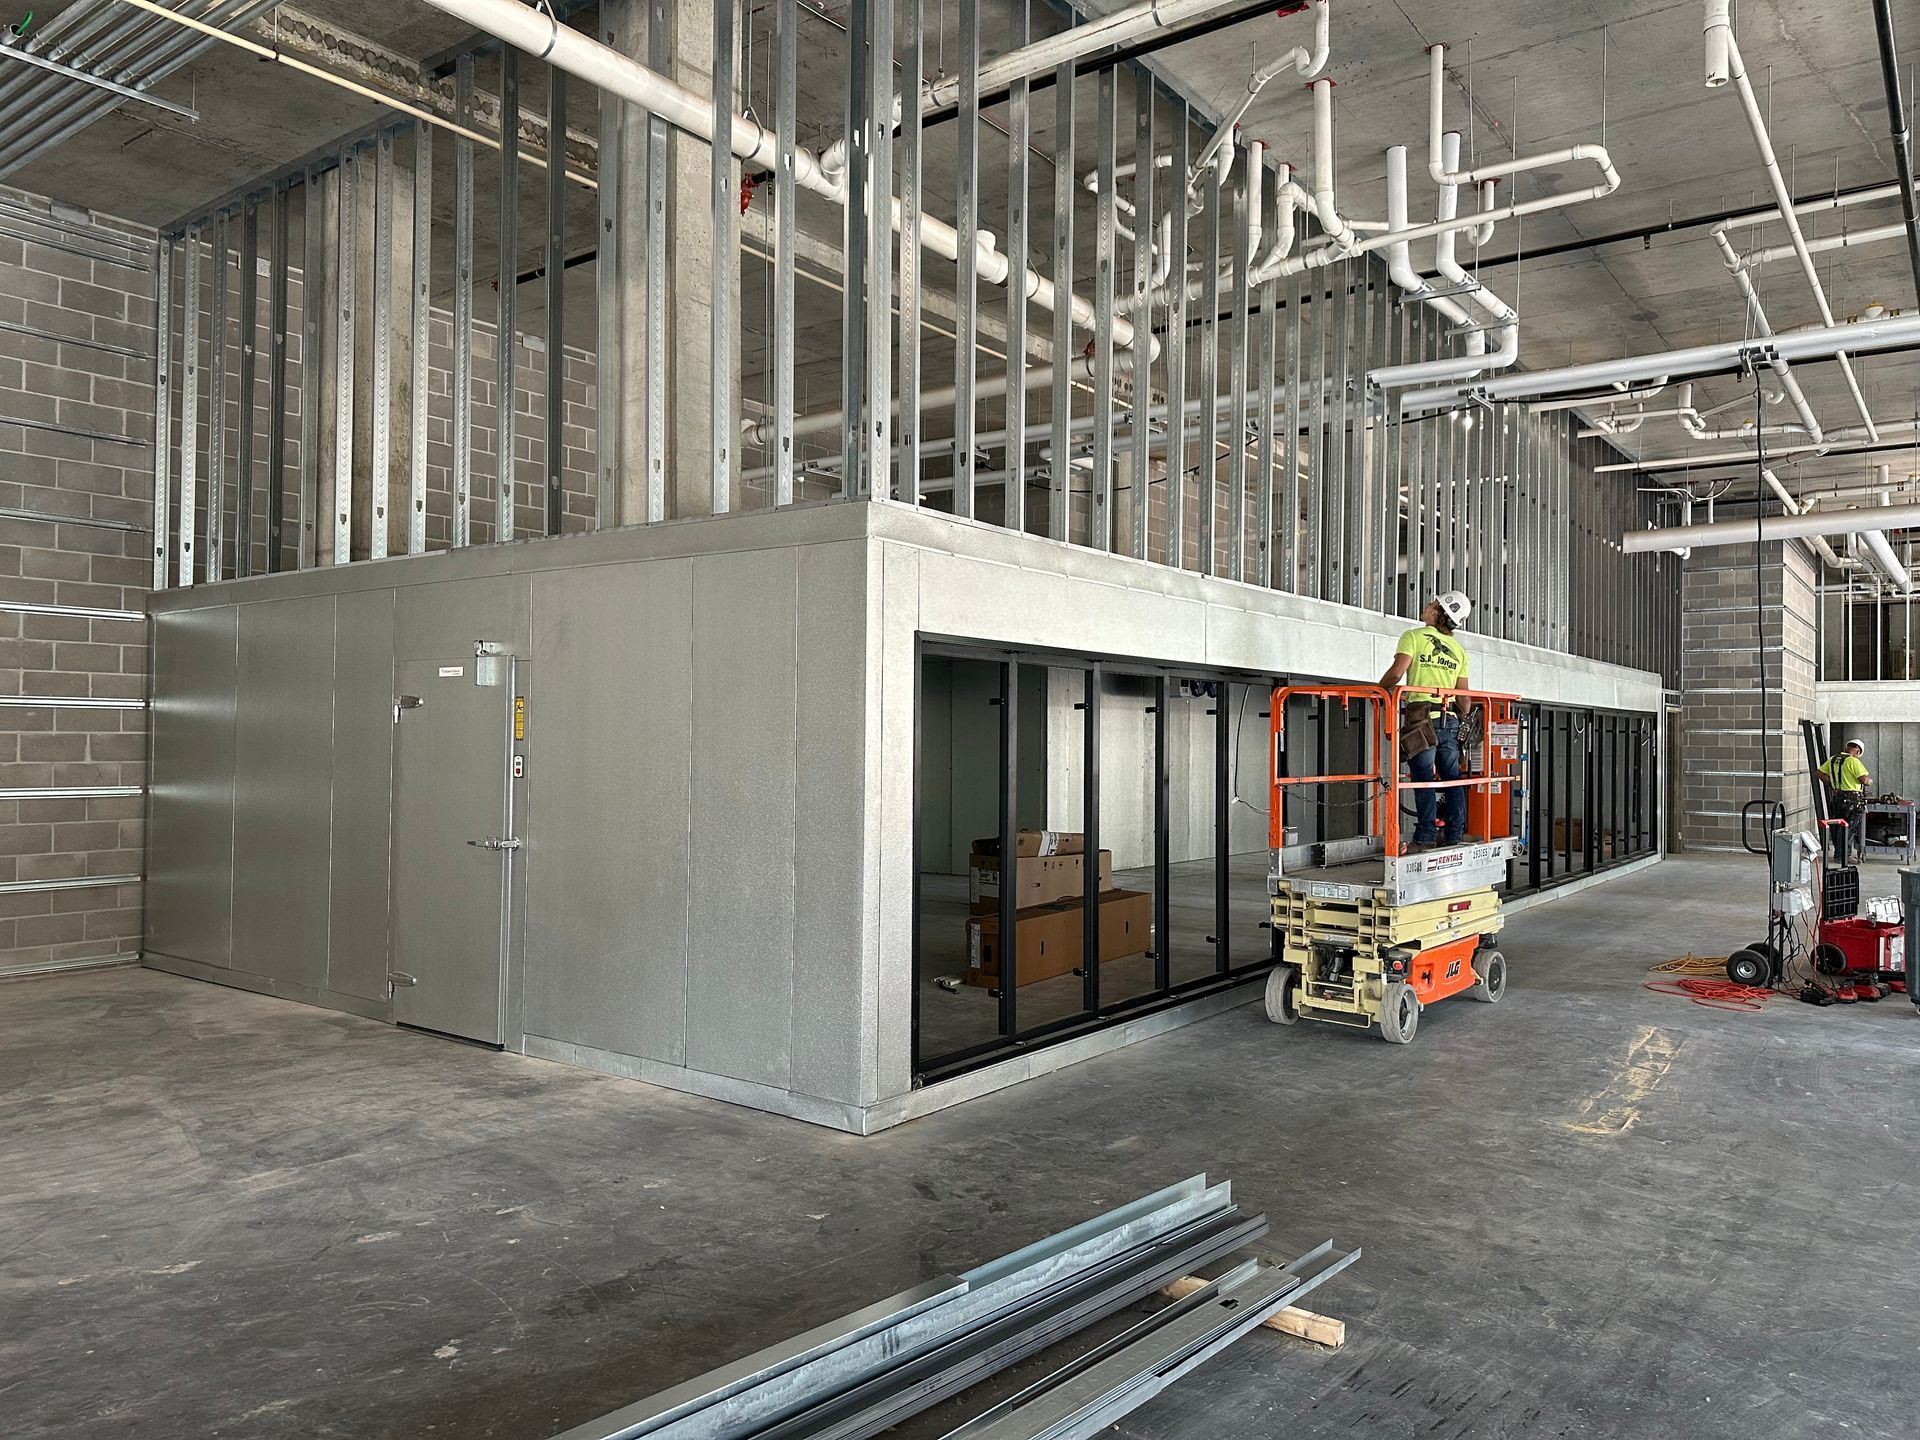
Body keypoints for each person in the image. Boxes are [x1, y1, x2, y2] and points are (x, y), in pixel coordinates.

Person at [1380, 591, 1473, 853]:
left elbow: (1396, 673)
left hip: (1421, 720)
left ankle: (1426, 837)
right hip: (1449, 720)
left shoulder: (1413, 637)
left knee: (1423, 780)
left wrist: (1378, 691)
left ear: (1439, 613)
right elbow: (1465, 701)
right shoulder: (1459, 650)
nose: (1427, 605)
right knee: (1451, 779)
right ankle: (1454, 834)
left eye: (1433, 604)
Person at [1818, 739, 1870, 865]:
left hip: (1837, 797)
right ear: (1858, 751)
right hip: (1852, 799)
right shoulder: (1853, 761)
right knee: (1848, 828)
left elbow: (1819, 773)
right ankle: (1844, 856)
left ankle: (1838, 854)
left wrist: (1830, 783)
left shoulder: (1833, 759)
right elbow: (1864, 779)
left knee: (1837, 827)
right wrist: (1869, 781)